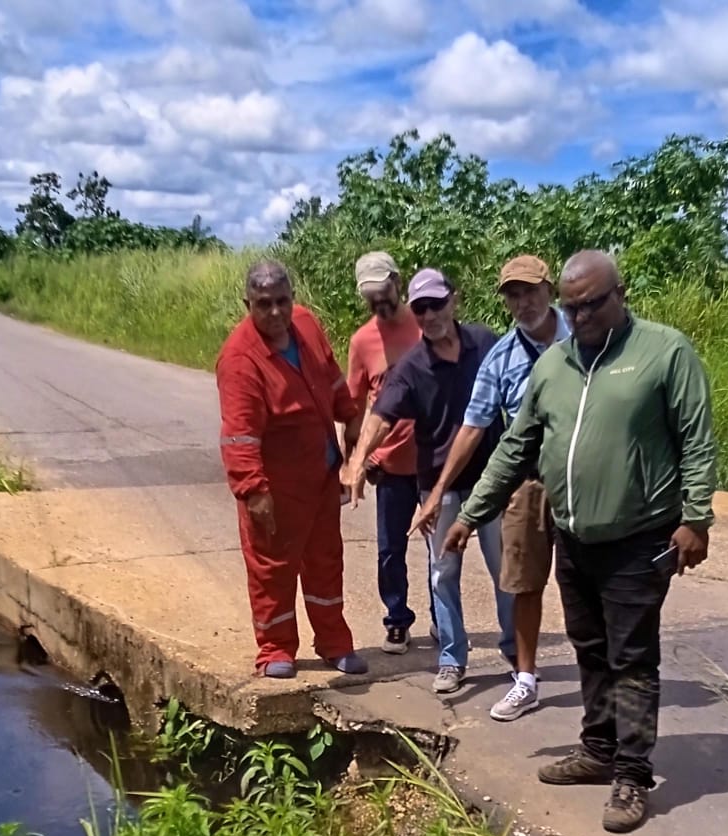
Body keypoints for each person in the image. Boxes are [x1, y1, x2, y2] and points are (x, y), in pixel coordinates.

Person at [443, 250, 716, 833]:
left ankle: (633, 774)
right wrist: (471, 513)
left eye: (591, 303)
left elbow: (696, 437)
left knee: (632, 655)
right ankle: (597, 750)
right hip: (574, 537)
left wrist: (697, 518)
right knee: (589, 647)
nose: (581, 315)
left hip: (639, 537)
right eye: (573, 306)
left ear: (621, 293)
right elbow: (516, 448)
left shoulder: (664, 352)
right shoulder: (554, 366)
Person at [411, 256, 570, 722]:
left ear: (550, 288)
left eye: (531, 291)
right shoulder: (500, 357)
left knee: (588, 585)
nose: (523, 302)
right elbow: (473, 427)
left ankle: (606, 681)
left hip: (585, 481)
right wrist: (441, 493)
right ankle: (524, 678)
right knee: (520, 580)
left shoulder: (585, 337)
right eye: (513, 294)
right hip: (527, 484)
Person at [347, 268, 514, 694]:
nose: (429, 315)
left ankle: (516, 653)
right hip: (436, 485)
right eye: (420, 308)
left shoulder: (485, 343)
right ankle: (452, 658)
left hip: (490, 479)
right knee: (444, 573)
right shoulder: (412, 367)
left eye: (436, 304)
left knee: (504, 570)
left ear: (453, 300)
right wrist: (357, 461)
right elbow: (380, 417)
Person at [216, 260, 367, 679]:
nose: (276, 313)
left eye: (283, 301)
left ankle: (334, 644)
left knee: (325, 563)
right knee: (273, 572)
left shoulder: (306, 326)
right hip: (275, 490)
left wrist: (349, 414)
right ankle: (275, 648)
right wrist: (253, 490)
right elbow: (239, 436)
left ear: (293, 298)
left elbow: (331, 377)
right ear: (248, 303)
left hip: (320, 478)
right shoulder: (240, 360)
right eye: (264, 304)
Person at [346, 251, 434, 654]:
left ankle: (444, 621)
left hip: (435, 462)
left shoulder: (428, 324)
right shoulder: (362, 341)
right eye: (371, 297)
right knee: (389, 551)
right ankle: (397, 620)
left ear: (398, 282)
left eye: (385, 292)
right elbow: (353, 408)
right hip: (390, 466)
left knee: (442, 550)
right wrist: (353, 465)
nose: (380, 302)